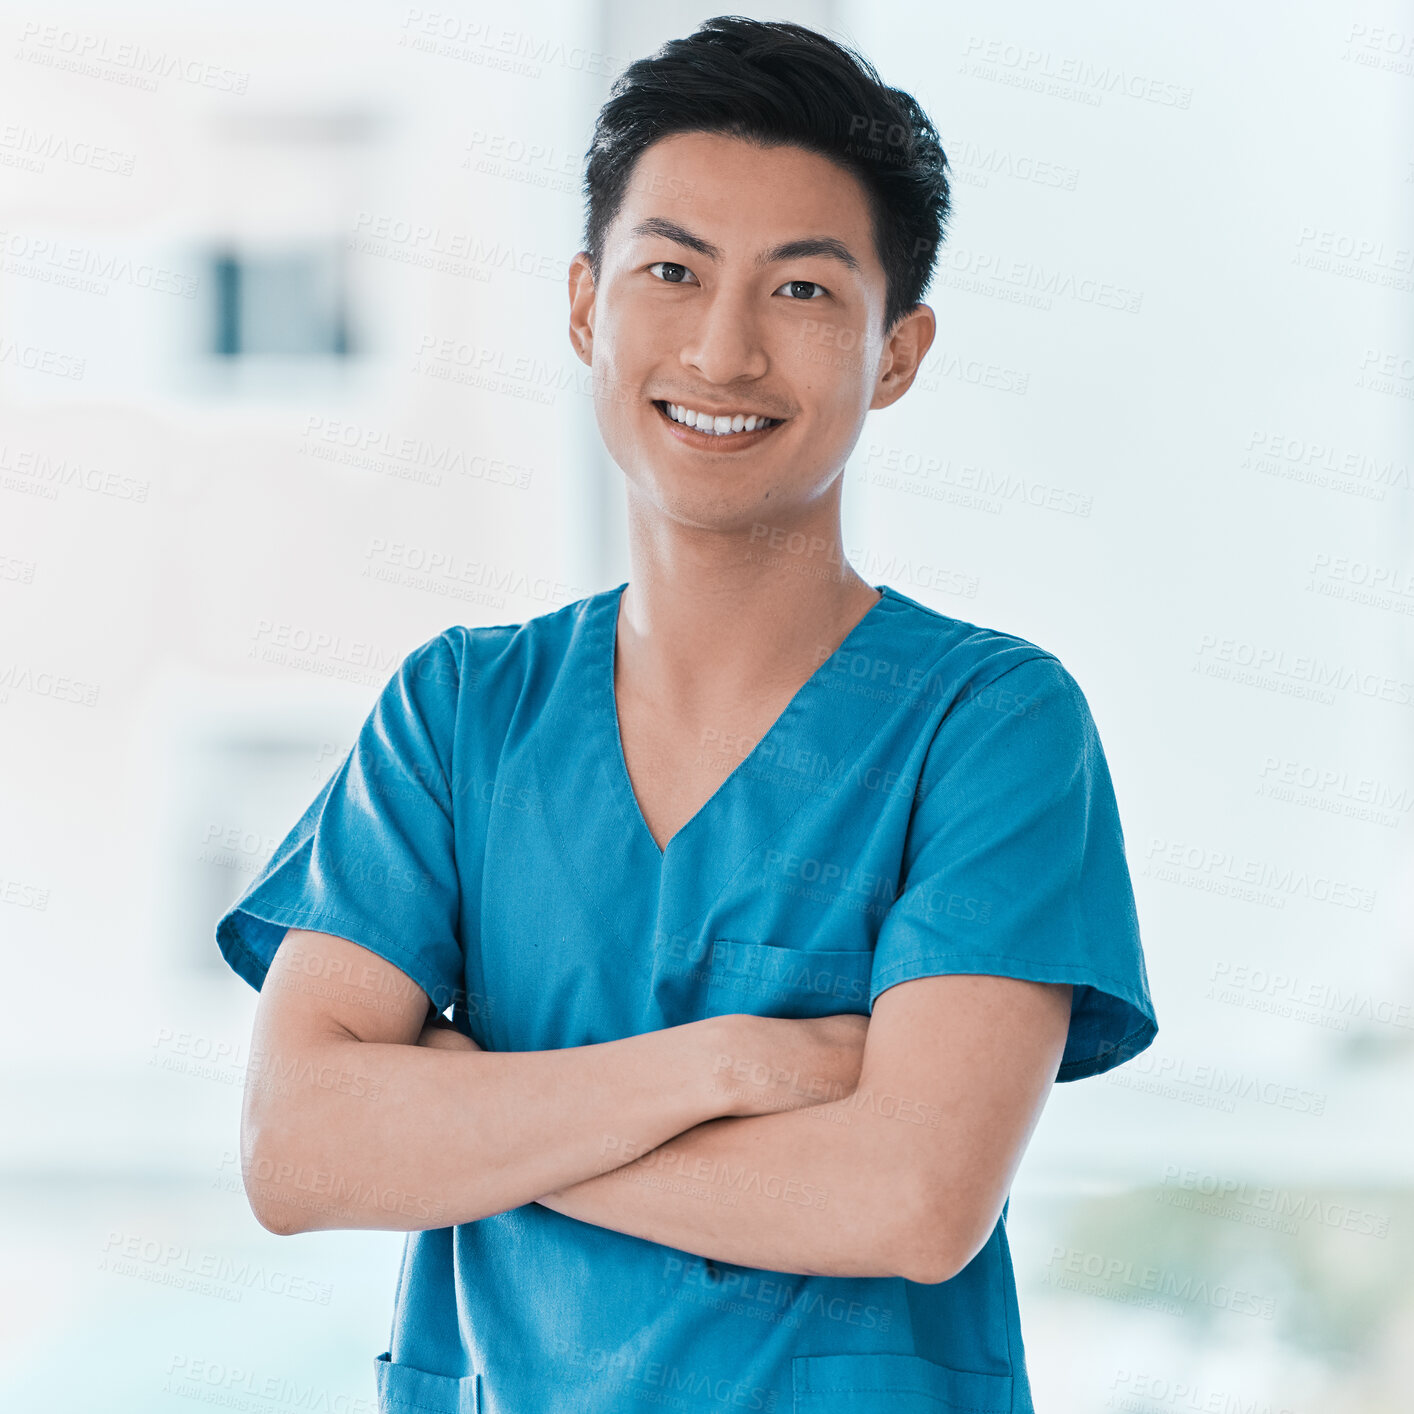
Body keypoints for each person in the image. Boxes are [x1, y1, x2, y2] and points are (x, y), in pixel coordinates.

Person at [216, 16, 1158, 1414]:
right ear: (587, 304)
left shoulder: (988, 727)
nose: (721, 351)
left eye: (801, 292)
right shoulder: (460, 714)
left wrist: (472, 1123)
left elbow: (906, 1196)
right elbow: (298, 1151)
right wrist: (734, 1064)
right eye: (672, 271)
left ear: (895, 353)